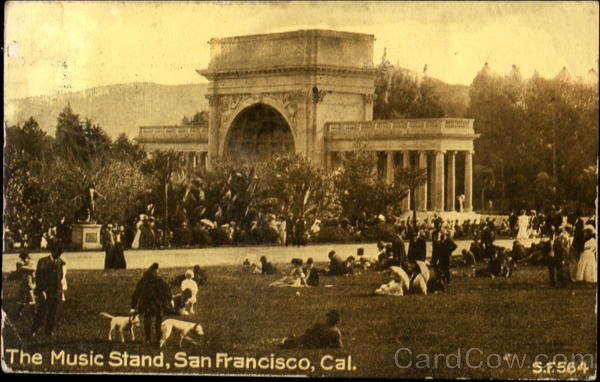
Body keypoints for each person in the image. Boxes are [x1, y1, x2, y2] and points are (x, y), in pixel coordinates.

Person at [130, 263, 172, 345]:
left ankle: (148, 339)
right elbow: (167, 291)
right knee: (158, 322)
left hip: (146, 304)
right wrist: (169, 302)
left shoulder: (143, 280)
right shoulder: (159, 280)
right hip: (157, 304)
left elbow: (136, 293)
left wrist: (133, 306)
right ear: (156, 270)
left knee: (147, 320)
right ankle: (158, 339)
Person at [30, 243, 66, 337]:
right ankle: (34, 329)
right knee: (41, 311)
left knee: (52, 313)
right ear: (52, 251)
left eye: (60, 254)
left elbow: (60, 277)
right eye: (57, 253)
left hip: (54, 292)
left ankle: (48, 331)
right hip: (44, 291)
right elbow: (38, 278)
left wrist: (60, 292)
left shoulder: (60, 262)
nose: (58, 255)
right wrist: (41, 291)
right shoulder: (43, 261)